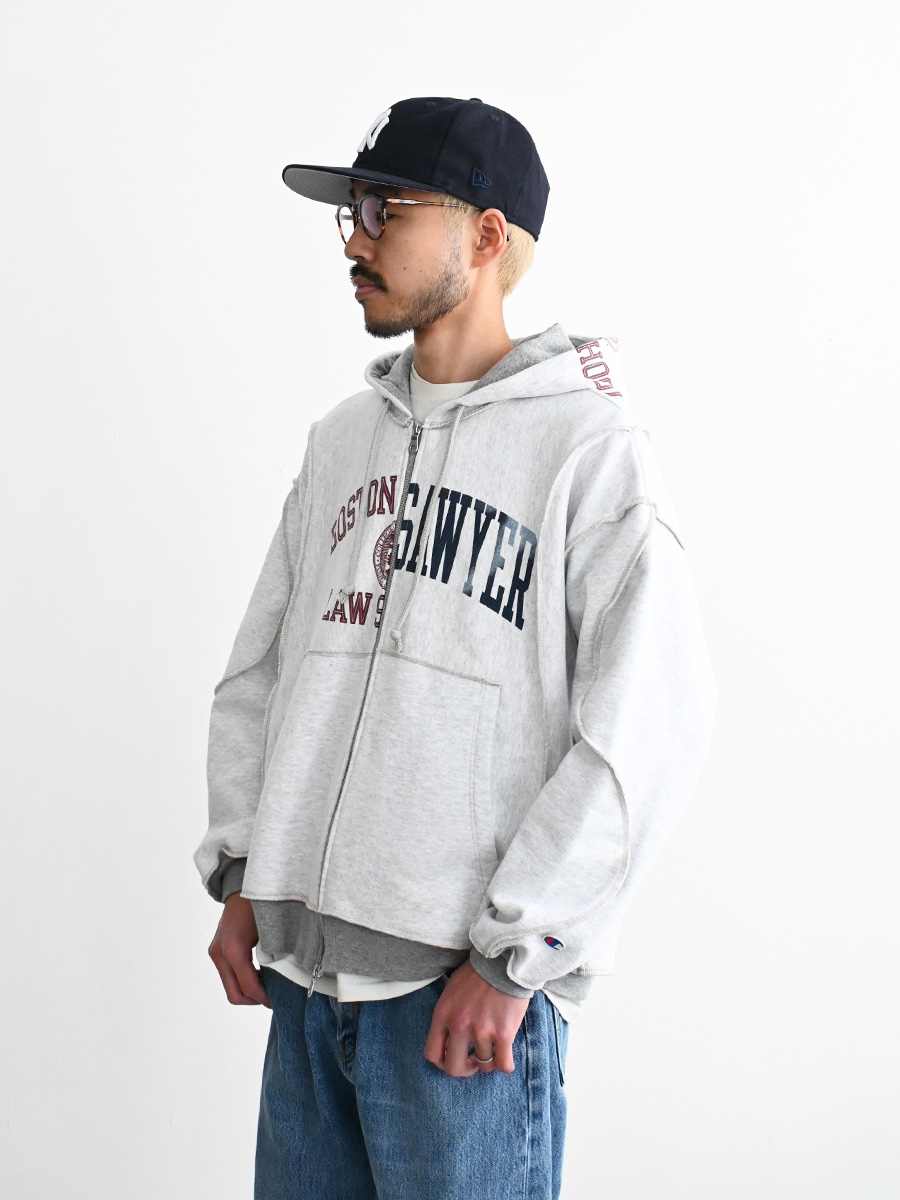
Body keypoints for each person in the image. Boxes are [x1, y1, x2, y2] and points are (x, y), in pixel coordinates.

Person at [193, 96, 716, 1200]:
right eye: (351, 211)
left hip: (460, 1010)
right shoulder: (340, 442)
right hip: (304, 995)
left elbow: (648, 722)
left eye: (387, 209)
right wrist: (244, 870)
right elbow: (261, 670)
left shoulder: (589, 451)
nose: (357, 237)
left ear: (485, 235)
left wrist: (519, 956)